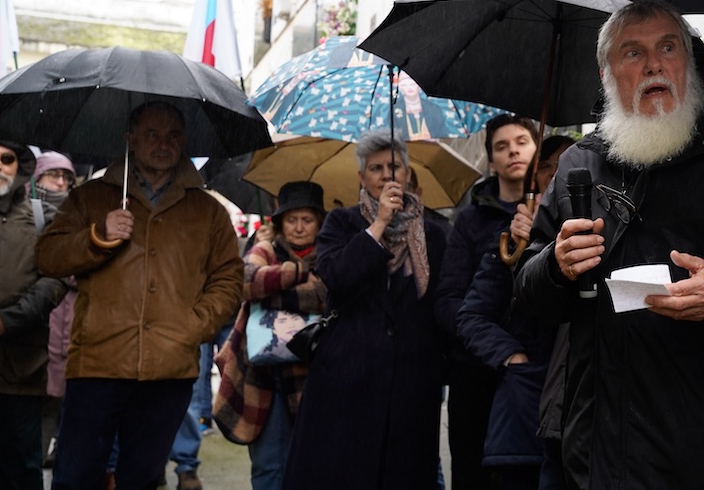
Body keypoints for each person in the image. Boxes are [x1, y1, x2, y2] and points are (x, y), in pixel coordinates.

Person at [515, 0, 704, 489]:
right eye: (632, 52)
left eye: (668, 47)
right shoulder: (578, 163)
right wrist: (555, 265)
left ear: (689, 61)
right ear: (606, 73)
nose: (654, 64)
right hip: (601, 455)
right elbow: (527, 296)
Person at [36, 101, 244, 490]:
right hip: (98, 361)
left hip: (169, 366)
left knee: (144, 479)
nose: (162, 143)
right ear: (130, 140)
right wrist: (97, 236)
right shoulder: (92, 197)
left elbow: (229, 277)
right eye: (151, 134)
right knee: (76, 475)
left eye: (173, 136)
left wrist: (194, 324)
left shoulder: (207, 211)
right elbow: (48, 256)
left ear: (184, 142)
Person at [281, 131, 447, 489]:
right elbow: (337, 277)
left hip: (411, 383)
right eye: (376, 168)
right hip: (347, 379)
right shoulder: (341, 223)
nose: (387, 175)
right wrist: (379, 225)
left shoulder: (435, 234)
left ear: (407, 174)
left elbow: (441, 301)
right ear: (361, 178)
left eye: (395, 166)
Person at [456, 135, 576, 490]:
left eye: (566, 162)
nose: (556, 172)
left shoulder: (599, 229)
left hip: (579, 407)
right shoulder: (513, 240)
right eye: (546, 166)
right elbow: (471, 315)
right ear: (533, 180)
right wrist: (512, 357)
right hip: (523, 409)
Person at [436, 114, 539, 490]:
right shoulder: (469, 220)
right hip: (477, 373)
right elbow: (448, 298)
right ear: (491, 161)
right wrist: (494, 344)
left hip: (535, 375)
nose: (513, 150)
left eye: (522, 141)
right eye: (501, 146)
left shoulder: (554, 211)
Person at [213, 181, 327, 490]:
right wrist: (299, 273)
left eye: (307, 220)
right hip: (262, 376)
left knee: (312, 462)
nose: (299, 228)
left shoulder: (331, 253)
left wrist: (272, 291)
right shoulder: (265, 249)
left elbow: (327, 295)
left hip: (314, 375)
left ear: (319, 221)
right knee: (269, 465)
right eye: (292, 220)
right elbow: (247, 282)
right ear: (280, 222)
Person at [0, 141, 68, 490]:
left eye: (6, 159)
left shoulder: (42, 218)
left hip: (22, 369)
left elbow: (55, 278)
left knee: (22, 467)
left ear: (20, 166)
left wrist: (9, 319)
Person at [34, 152, 78, 470]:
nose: (61, 183)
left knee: (68, 403)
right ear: (38, 179)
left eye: (66, 178)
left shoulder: (79, 216)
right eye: (54, 176)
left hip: (74, 325)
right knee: (39, 405)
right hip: (37, 323)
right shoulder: (26, 215)